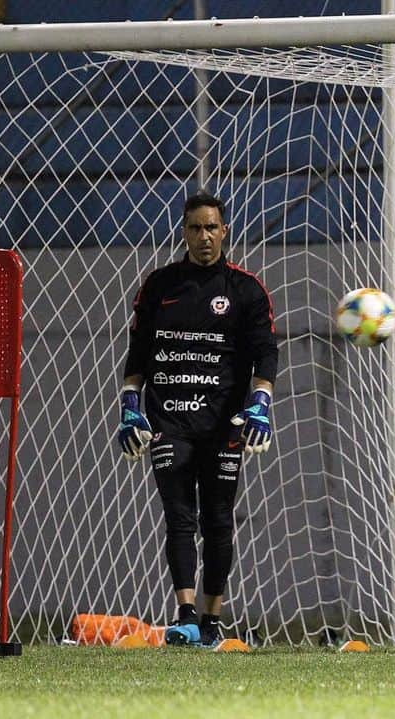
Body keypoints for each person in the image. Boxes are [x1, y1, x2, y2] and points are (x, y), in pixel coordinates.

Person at [117, 190, 279, 648]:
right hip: (169, 420)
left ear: (224, 231)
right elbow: (139, 350)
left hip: (225, 424)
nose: (204, 236)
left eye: (212, 227)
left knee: (219, 520)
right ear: (184, 232)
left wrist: (261, 402)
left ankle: (212, 618)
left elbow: (267, 352)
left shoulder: (245, 289)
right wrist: (130, 402)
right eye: (195, 228)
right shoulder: (160, 286)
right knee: (179, 517)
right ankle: (186, 616)